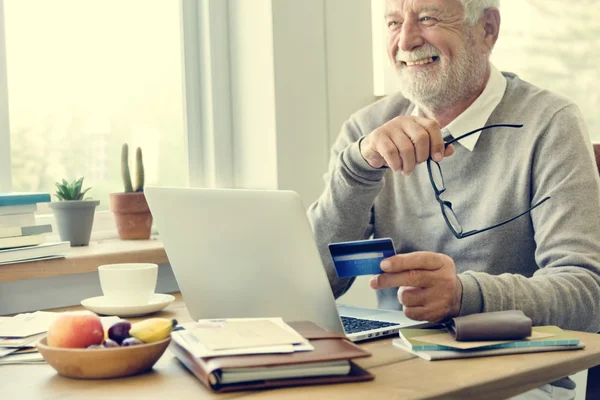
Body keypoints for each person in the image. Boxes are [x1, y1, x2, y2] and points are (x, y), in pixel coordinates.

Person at [307, 0, 600, 399]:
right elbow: (318, 284)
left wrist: (465, 295)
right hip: (392, 369)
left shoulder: (551, 122)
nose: (406, 40)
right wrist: (356, 170)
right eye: (394, 22)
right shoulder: (364, 129)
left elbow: (588, 292)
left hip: (515, 378)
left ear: (488, 29)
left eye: (427, 18)